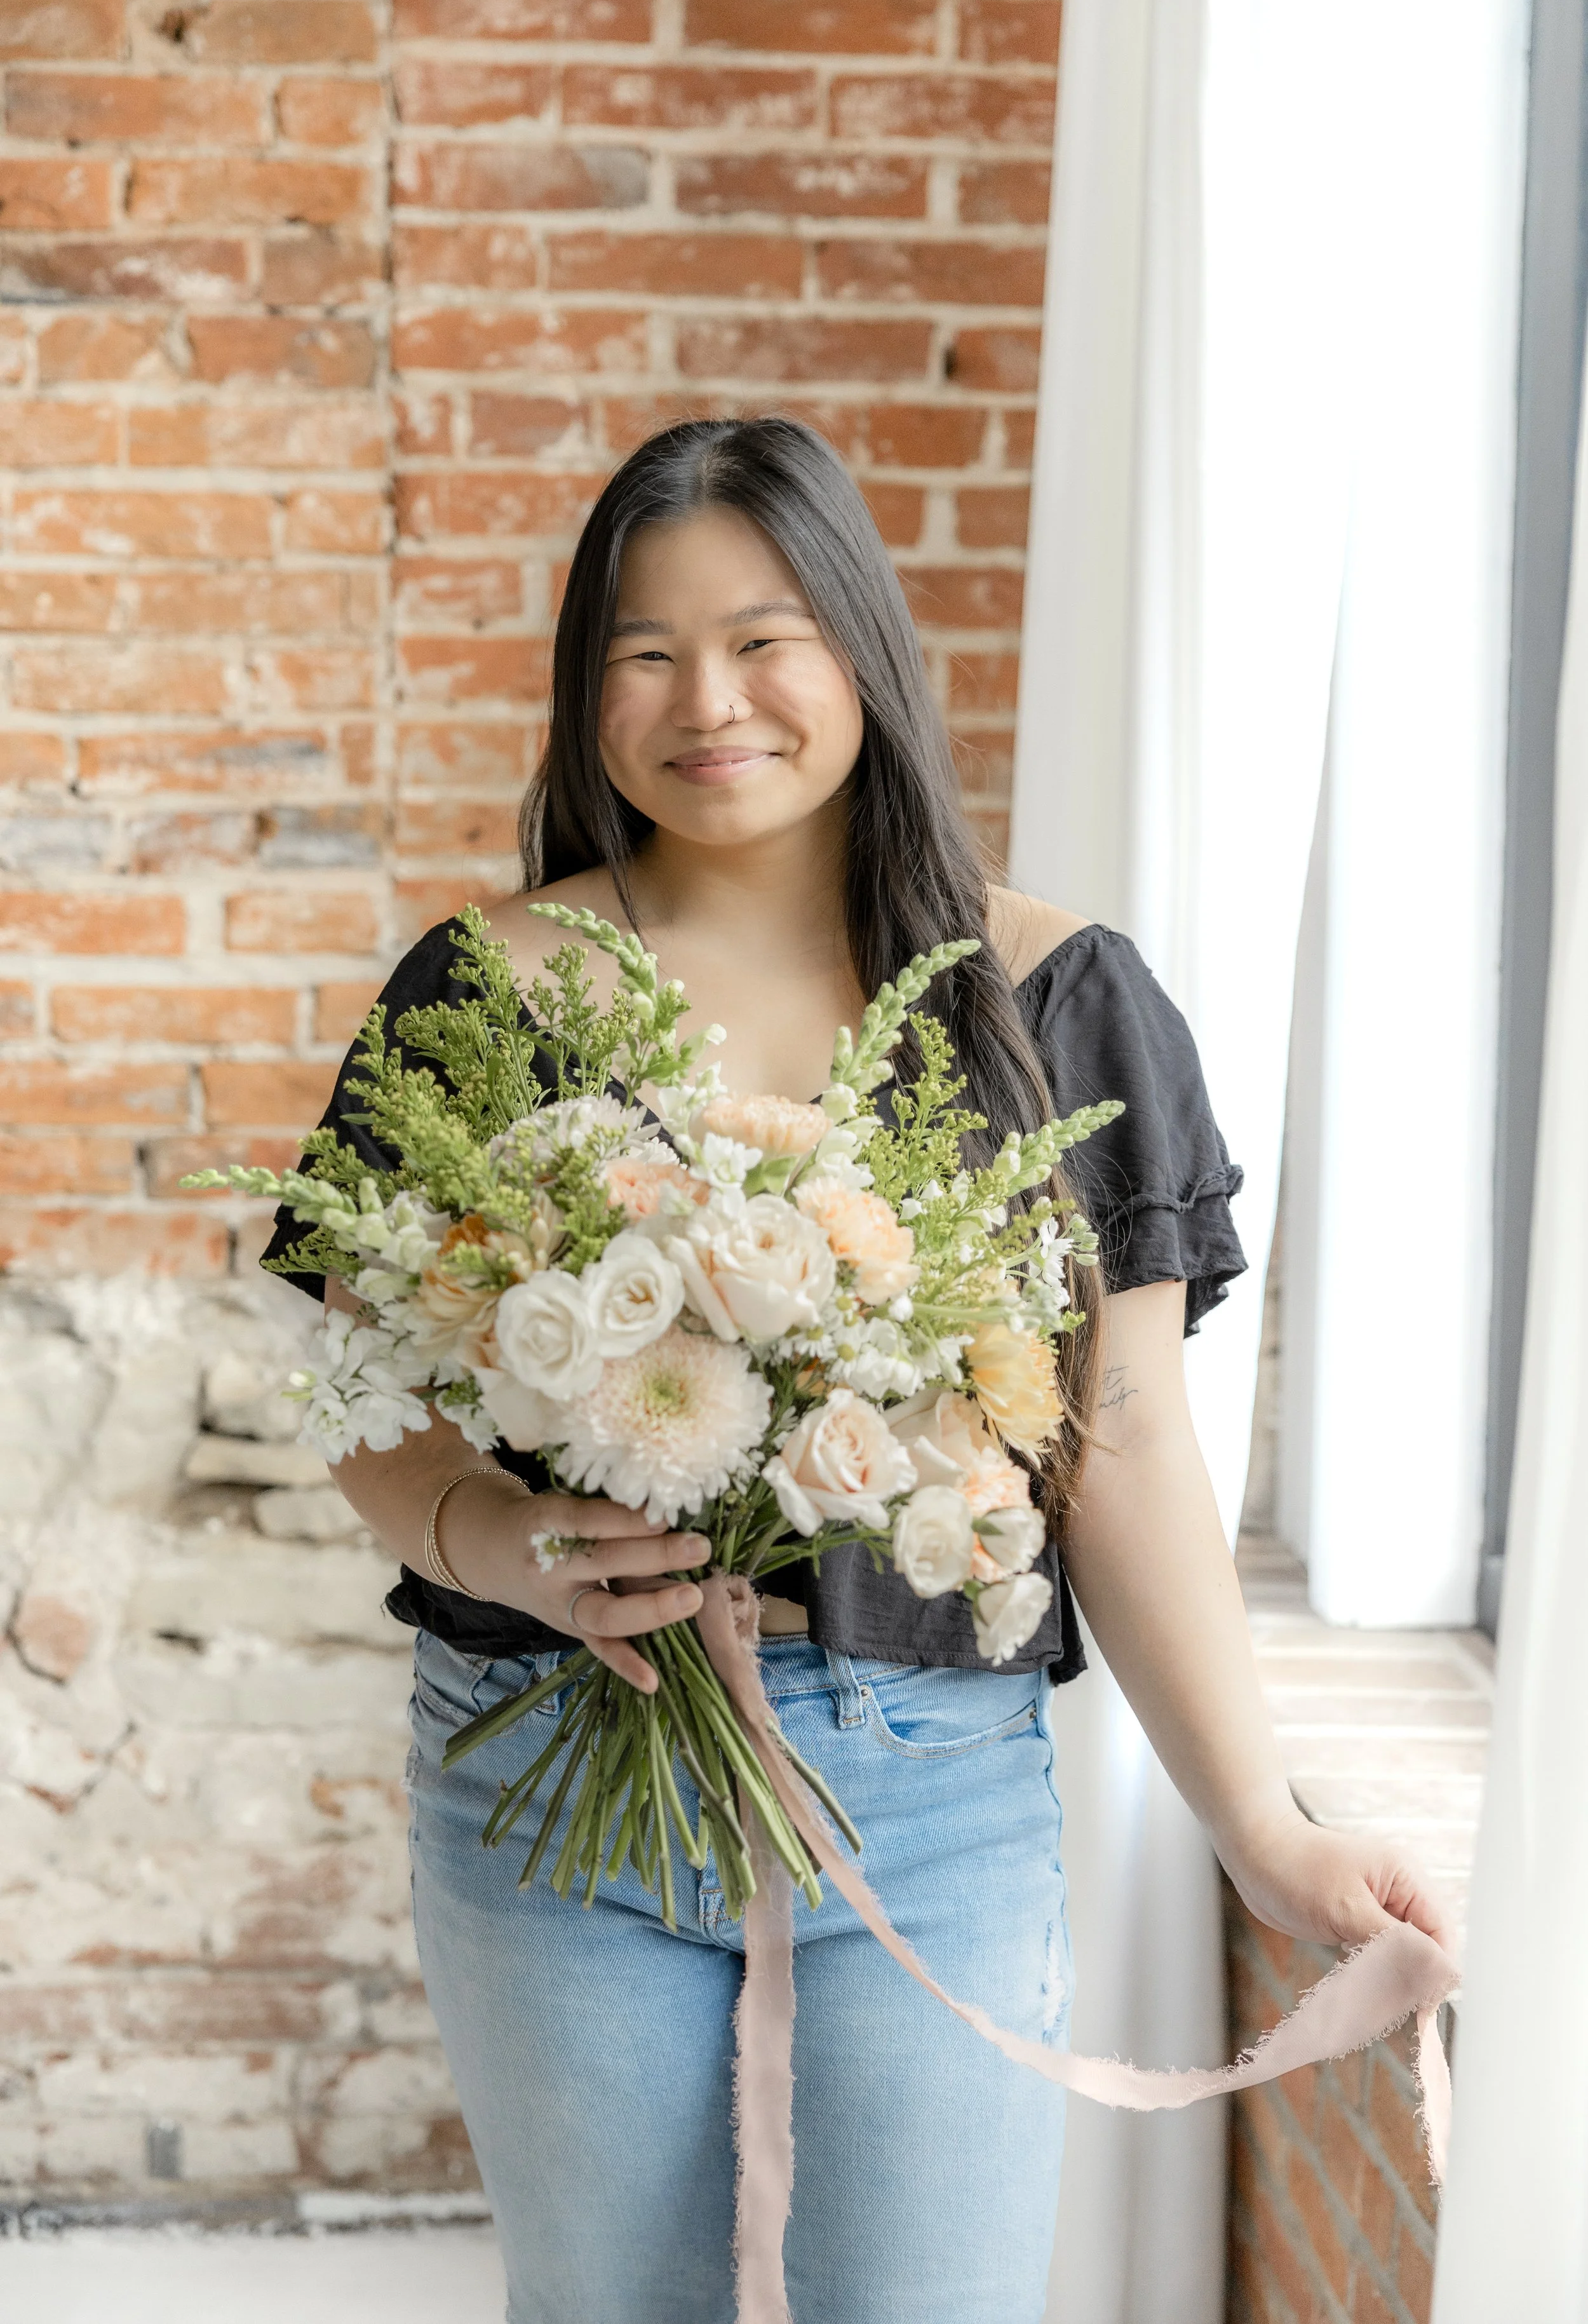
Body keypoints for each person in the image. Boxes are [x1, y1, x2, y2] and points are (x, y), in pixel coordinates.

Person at [263, 417, 1445, 2324]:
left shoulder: (1054, 999)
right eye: (641, 652)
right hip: (557, 1753)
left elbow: (1119, 1445)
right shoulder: (486, 992)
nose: (704, 700)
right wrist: (495, 1536)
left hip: (932, 1778)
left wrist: (1265, 1825)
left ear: (861, 651)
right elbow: (372, 1396)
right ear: (588, 692)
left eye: (762, 635)